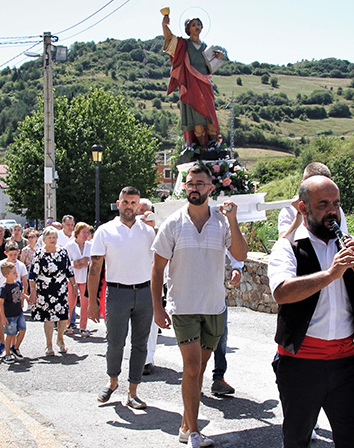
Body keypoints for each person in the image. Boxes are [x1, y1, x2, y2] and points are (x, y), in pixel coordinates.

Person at [268, 175, 354, 448]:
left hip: (344, 362)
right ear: (303, 208)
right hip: (300, 363)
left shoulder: (348, 244)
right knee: (297, 439)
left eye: (336, 203)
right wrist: (331, 274)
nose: (332, 211)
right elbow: (282, 292)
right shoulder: (288, 247)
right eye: (323, 204)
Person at [151, 164, 248, 448]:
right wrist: (158, 308)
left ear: (210, 188)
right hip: (184, 308)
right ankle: (194, 433)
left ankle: (185, 424)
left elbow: (240, 253)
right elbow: (157, 269)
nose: (194, 188)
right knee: (192, 368)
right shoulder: (173, 223)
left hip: (214, 307)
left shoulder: (221, 222)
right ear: (185, 188)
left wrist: (233, 220)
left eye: (200, 183)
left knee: (201, 367)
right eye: (191, 183)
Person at [88, 187, 157, 410]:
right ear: (118, 204)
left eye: (133, 202)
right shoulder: (105, 231)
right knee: (115, 342)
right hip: (117, 293)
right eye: (126, 202)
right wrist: (91, 301)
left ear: (139, 206)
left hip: (144, 293)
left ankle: (133, 391)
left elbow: (159, 263)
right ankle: (112, 382)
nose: (129, 206)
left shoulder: (148, 232)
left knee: (140, 344)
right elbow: (95, 267)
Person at [162, 13, 225, 149]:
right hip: (191, 85)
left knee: (210, 117)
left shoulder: (206, 47)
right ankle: (201, 150)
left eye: (198, 24)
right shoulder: (184, 44)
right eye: (193, 25)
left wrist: (219, 57)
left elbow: (212, 67)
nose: (197, 27)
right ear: (188, 29)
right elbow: (169, 39)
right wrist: (164, 25)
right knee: (197, 118)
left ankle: (214, 149)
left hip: (205, 84)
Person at [29, 226, 78, 357]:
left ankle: (60, 338)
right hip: (45, 288)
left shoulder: (62, 251)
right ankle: (49, 344)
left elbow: (69, 270)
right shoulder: (39, 253)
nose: (52, 240)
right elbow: (33, 273)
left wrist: (74, 285)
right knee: (48, 317)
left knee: (63, 316)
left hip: (61, 287)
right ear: (44, 239)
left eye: (54, 237)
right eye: (50, 237)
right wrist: (32, 290)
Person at [278, 162, 348, 240]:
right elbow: (282, 242)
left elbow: (343, 236)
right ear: (303, 184)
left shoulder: (335, 210)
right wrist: (299, 214)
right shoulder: (289, 211)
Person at [210, 253, 242, 396]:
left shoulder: (222, 229)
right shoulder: (184, 229)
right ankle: (193, 379)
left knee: (221, 336)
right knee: (195, 339)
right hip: (191, 295)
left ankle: (219, 378)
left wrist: (237, 268)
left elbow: (235, 250)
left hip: (216, 294)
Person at [0, 243, 29, 357]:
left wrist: (24, 298)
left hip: (14, 296)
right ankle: (2, 343)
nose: (13, 256)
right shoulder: (1, 264)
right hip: (1, 295)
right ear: (6, 253)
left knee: (13, 323)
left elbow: (24, 282)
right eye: (10, 254)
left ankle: (12, 346)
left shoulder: (21, 266)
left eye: (15, 254)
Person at [138, 198, 159, 375]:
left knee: (151, 323)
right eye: (139, 210)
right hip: (132, 282)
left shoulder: (158, 230)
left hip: (152, 282)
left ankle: (148, 358)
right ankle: (138, 356)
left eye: (145, 211)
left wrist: (153, 228)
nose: (142, 214)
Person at [0, 261, 29, 364]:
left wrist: (27, 297)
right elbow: (1, 303)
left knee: (23, 329)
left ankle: (15, 348)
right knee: (11, 334)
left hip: (18, 312)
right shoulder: (4, 288)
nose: (16, 274)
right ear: (6, 275)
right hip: (9, 314)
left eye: (16, 272)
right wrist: (3, 316)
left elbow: (20, 293)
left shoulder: (17, 284)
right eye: (14, 273)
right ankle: (7, 354)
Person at [65, 222, 92, 337]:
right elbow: (66, 263)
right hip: (73, 279)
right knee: (71, 302)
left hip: (85, 278)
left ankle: (83, 327)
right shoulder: (69, 246)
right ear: (77, 233)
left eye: (87, 232)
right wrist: (75, 263)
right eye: (83, 232)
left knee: (85, 303)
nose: (86, 235)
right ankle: (67, 325)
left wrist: (87, 263)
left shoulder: (90, 245)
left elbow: (93, 261)